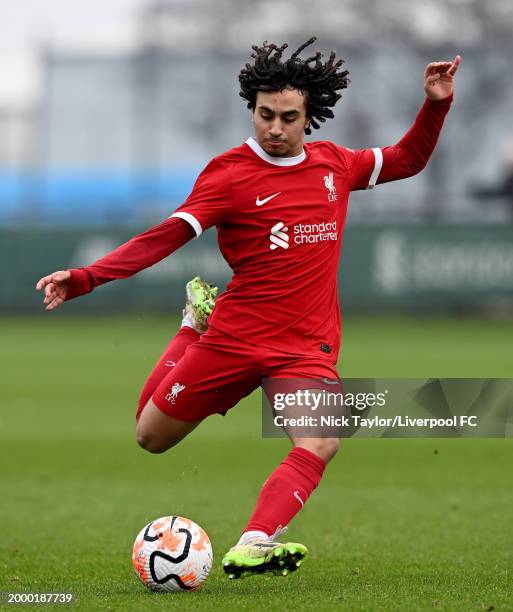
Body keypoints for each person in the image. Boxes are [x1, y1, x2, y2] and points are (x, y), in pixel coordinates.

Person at [36, 38, 460, 580]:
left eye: (288, 117)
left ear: (310, 116)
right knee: (150, 437)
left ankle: (254, 541)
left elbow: (408, 159)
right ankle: (194, 325)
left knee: (322, 439)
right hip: (234, 339)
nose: (275, 128)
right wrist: (88, 277)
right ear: (252, 110)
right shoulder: (229, 174)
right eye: (265, 115)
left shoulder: (335, 164)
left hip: (305, 347)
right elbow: (166, 236)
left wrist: (437, 102)